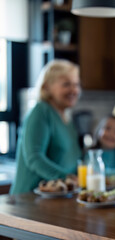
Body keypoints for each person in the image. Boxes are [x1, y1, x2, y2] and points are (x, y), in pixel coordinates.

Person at [10, 59, 82, 194]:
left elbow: (71, 160)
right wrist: (67, 178)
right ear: (46, 87)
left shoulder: (66, 118)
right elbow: (34, 158)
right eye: (66, 84)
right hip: (29, 199)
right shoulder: (41, 112)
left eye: (76, 84)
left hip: (57, 198)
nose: (74, 90)